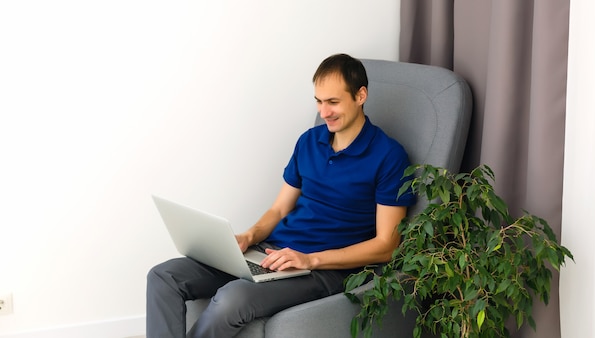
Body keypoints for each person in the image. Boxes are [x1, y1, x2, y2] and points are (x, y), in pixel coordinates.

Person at [146, 53, 416, 338]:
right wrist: (249, 237)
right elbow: (278, 210)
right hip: (273, 253)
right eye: (319, 101)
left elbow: (387, 245)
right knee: (164, 276)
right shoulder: (309, 140)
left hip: (322, 270)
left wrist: (310, 260)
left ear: (361, 95)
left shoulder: (389, 156)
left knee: (231, 299)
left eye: (333, 102)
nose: (324, 112)